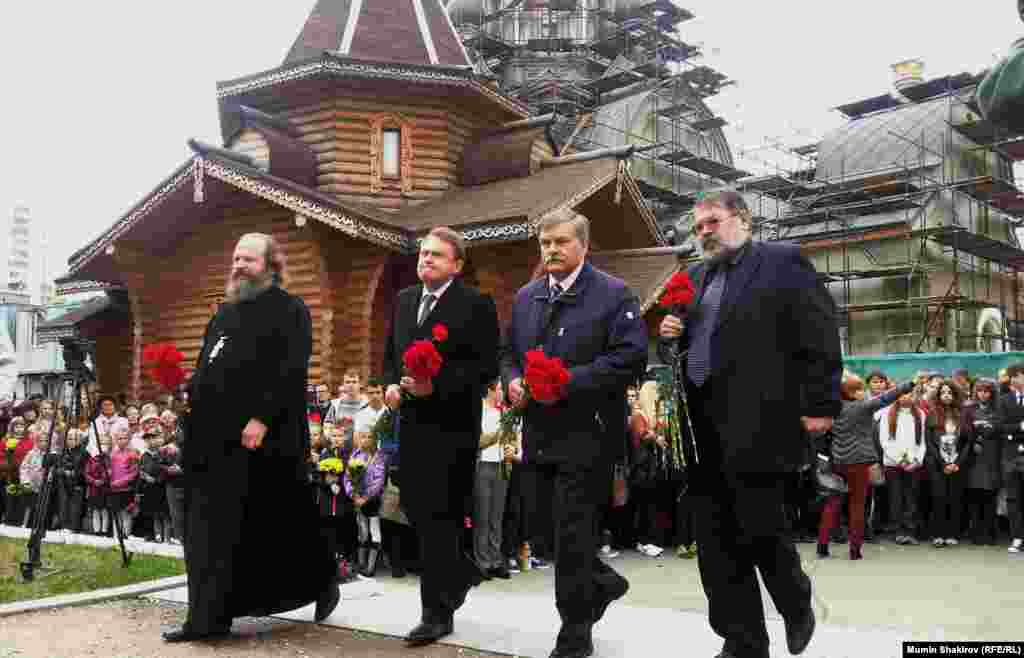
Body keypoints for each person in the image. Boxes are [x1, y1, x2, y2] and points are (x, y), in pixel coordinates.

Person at [659, 190, 841, 658]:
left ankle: (796, 603)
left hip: (759, 420)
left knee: (761, 527)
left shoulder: (782, 262)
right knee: (715, 543)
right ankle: (742, 640)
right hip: (700, 426)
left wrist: (821, 402)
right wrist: (670, 336)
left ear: (741, 219)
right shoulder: (693, 276)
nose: (704, 232)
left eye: (712, 222)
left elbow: (819, 331)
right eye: (698, 226)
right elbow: (692, 346)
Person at [162, 233, 338, 643]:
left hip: (264, 442)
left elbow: (290, 371)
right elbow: (211, 364)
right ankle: (207, 618)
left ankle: (322, 579)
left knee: (280, 525)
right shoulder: (223, 312)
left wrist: (261, 418)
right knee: (207, 528)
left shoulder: (289, 309)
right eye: (236, 258)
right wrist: (186, 390)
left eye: (249, 260)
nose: (239, 265)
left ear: (271, 266)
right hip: (213, 442)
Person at [502, 211, 646, 658]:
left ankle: (574, 634)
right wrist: (512, 381)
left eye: (561, 242)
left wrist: (567, 381)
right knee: (542, 532)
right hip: (539, 432)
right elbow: (509, 353)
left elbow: (630, 359)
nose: (551, 250)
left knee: (574, 534)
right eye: (545, 243)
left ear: (583, 245)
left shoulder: (613, 294)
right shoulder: (527, 298)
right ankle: (601, 582)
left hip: (589, 434)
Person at [382, 226, 499, 646]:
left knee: (441, 518)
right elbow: (390, 355)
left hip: (451, 429)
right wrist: (391, 384)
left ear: (457, 264)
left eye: (436, 255)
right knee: (414, 509)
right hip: (410, 428)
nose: (425, 259)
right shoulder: (404, 300)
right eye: (423, 254)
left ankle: (436, 614)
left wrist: (439, 385)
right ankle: (462, 572)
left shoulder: (475, 304)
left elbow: (486, 367)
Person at [817, 375, 913, 559]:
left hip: (838, 461)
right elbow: (888, 397)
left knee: (833, 503)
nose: (863, 392)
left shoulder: (832, 408)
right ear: (851, 392)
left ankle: (822, 545)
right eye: (859, 389)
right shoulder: (863, 407)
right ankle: (855, 550)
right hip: (860, 462)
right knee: (857, 506)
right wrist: (911, 384)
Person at [925, 380, 970, 547]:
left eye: (950, 393)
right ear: (938, 395)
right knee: (938, 498)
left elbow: (968, 442)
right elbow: (929, 442)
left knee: (955, 498)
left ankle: (952, 533)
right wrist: (943, 463)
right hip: (937, 464)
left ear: (955, 395)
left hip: (957, 464)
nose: (946, 396)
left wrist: (957, 462)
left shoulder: (963, 414)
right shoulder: (932, 413)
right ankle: (938, 534)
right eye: (943, 393)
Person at [996, 363, 1024, 554]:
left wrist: (1013, 430)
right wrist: (1020, 427)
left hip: (1016, 448)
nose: (1017, 379)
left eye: (1019, 375)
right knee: (1013, 498)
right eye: (1015, 376)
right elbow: (1001, 426)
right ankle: (1017, 537)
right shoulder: (1004, 400)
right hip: (1010, 455)